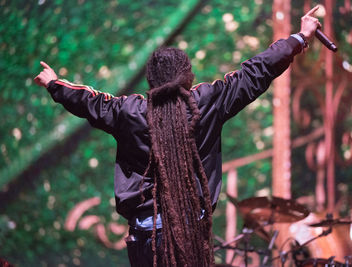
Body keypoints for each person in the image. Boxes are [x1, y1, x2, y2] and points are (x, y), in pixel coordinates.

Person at [34, 6, 321, 267]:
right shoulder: (206, 102)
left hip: (146, 238)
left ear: (151, 80)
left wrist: (54, 84)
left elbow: (90, 102)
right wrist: (300, 37)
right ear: (188, 76)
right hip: (190, 237)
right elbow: (255, 71)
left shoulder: (130, 111)